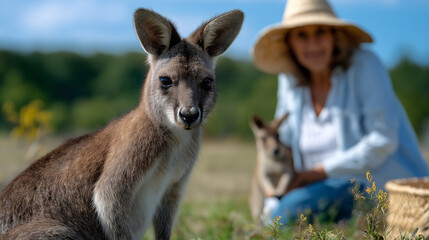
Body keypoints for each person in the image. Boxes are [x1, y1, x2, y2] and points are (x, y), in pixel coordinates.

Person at [252, 0, 429, 225]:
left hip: (372, 185)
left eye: (320, 32)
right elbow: (283, 140)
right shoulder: (289, 80)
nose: (313, 45)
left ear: (335, 35)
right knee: (274, 211)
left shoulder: (365, 65)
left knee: (285, 216)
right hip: (314, 187)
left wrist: (318, 173)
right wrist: (273, 186)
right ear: (290, 43)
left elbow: (383, 139)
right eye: (301, 35)